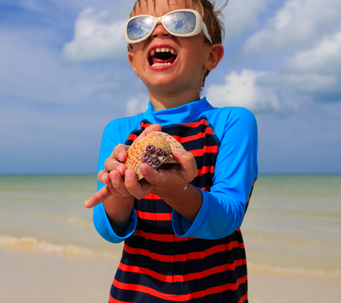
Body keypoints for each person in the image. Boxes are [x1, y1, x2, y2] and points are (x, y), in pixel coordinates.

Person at [84, 0, 258, 302]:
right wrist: (120, 191)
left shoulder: (232, 123)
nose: (158, 30)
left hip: (217, 293)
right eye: (140, 28)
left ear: (211, 55)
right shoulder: (120, 133)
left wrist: (175, 190)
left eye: (181, 21)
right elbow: (109, 229)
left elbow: (227, 218)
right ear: (133, 62)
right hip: (135, 292)